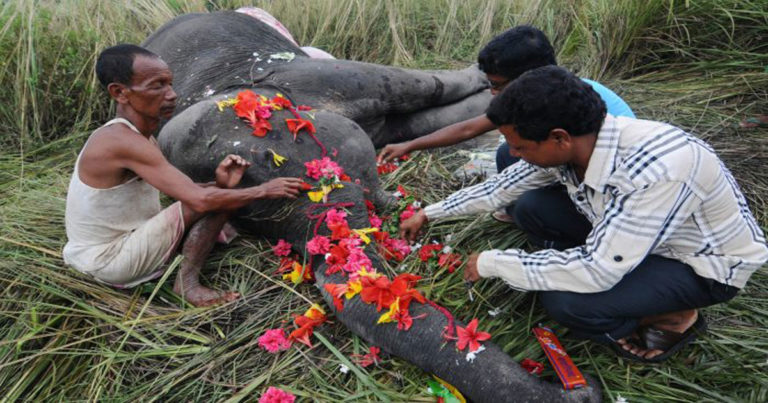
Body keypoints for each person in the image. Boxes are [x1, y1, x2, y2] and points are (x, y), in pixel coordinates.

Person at [399, 66, 768, 362]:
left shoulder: (657, 169)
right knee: (530, 207)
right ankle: (609, 280)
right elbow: (500, 188)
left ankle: (673, 315)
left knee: (567, 302)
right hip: (636, 237)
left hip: (698, 265)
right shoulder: (578, 143)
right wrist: (430, 214)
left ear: (559, 137)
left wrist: (495, 263)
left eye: (519, 146)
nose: (514, 153)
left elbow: (598, 271)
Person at [63, 44, 304, 307]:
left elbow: (183, 190)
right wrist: (264, 190)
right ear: (120, 92)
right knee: (217, 199)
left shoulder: (137, 137)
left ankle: (184, 267)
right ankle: (187, 285)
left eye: (170, 84)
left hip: (115, 245)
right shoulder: (121, 141)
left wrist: (220, 184)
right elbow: (199, 201)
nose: (172, 95)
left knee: (221, 194)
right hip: (108, 260)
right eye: (157, 86)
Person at [378, 25, 634, 222]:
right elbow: (470, 128)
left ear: (527, 79)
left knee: (532, 208)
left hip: (609, 188)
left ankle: (561, 230)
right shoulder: (534, 98)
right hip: (572, 168)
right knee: (507, 154)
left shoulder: (560, 104)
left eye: (498, 85)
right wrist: (410, 145)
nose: (492, 93)